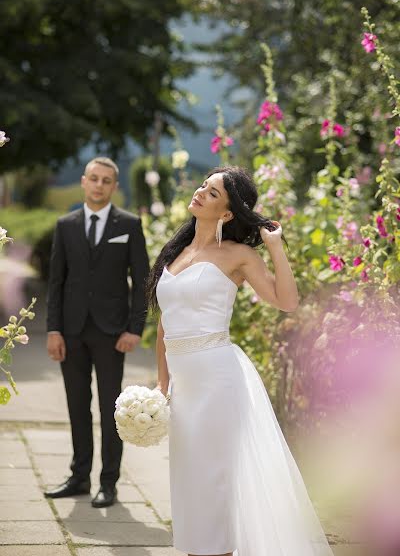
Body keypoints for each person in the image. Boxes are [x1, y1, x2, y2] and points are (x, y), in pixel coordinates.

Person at [146, 165, 334, 555]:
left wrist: (277, 246)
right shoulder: (176, 253)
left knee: (216, 484)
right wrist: (162, 385)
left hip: (218, 381)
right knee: (190, 481)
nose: (200, 192)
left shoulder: (239, 255)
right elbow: (166, 325)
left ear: (228, 213)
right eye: (203, 186)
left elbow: (287, 301)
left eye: (212, 193)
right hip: (184, 388)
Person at [45, 156, 150, 508]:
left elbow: (142, 282)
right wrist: (53, 329)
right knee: (77, 406)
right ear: (84, 181)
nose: (99, 185)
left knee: (110, 409)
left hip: (112, 333)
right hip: (71, 332)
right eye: (94, 178)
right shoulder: (65, 225)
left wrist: (135, 329)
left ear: (114, 186)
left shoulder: (130, 225)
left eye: (107, 180)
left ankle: (109, 483)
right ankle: (78, 477)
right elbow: (56, 282)